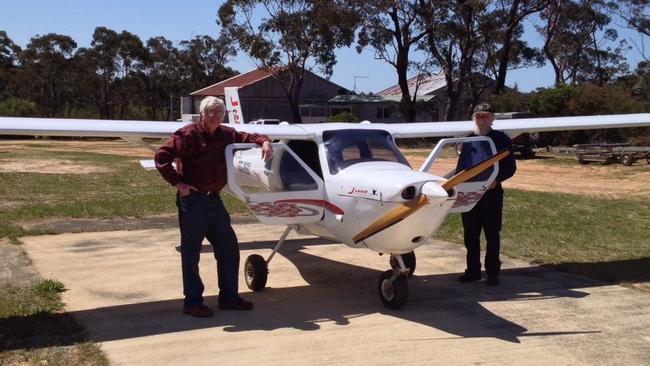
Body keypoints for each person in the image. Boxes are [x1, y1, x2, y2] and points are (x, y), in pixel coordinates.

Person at [155, 96, 273, 317]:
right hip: (193, 202)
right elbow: (161, 157)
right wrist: (178, 183)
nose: (216, 116)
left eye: (220, 113)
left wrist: (264, 141)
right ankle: (192, 302)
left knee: (229, 248)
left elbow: (248, 135)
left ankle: (228, 297)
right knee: (191, 254)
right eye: (211, 112)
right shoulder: (187, 134)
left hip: (214, 200)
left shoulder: (226, 134)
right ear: (202, 114)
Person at [457, 103, 516, 286]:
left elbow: (510, 167)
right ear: (474, 118)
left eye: (485, 116)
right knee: (470, 235)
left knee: (492, 234)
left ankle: (492, 273)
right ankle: (473, 271)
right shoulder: (468, 139)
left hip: (492, 194)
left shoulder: (501, 139)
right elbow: (462, 168)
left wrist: (496, 180)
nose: (482, 119)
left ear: (492, 118)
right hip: (471, 194)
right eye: (479, 116)